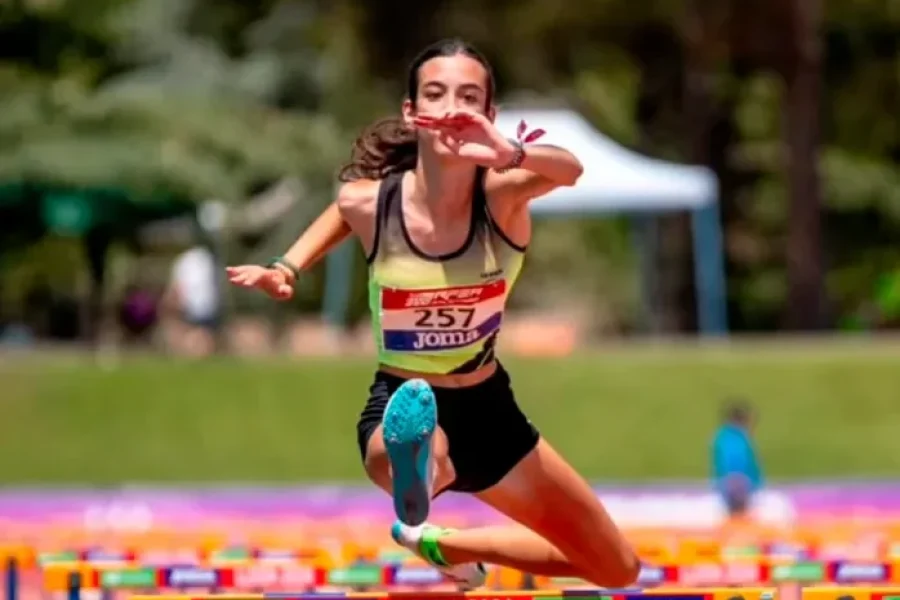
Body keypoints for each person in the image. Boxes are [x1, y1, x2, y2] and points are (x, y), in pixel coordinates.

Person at [227, 38, 639, 589]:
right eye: (436, 94)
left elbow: (572, 169)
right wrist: (287, 266)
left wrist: (507, 151)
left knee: (618, 568)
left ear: (489, 116)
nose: (452, 108)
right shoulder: (372, 202)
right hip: (402, 397)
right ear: (411, 111)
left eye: (469, 97)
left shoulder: (503, 197)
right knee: (426, 447)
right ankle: (416, 463)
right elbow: (345, 208)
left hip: (492, 412)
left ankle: (441, 542)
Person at [711, 399, 763, 518]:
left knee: (733, 517)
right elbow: (746, 463)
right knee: (740, 519)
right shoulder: (742, 438)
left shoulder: (721, 436)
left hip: (728, 483)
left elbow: (718, 463)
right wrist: (756, 483)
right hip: (741, 484)